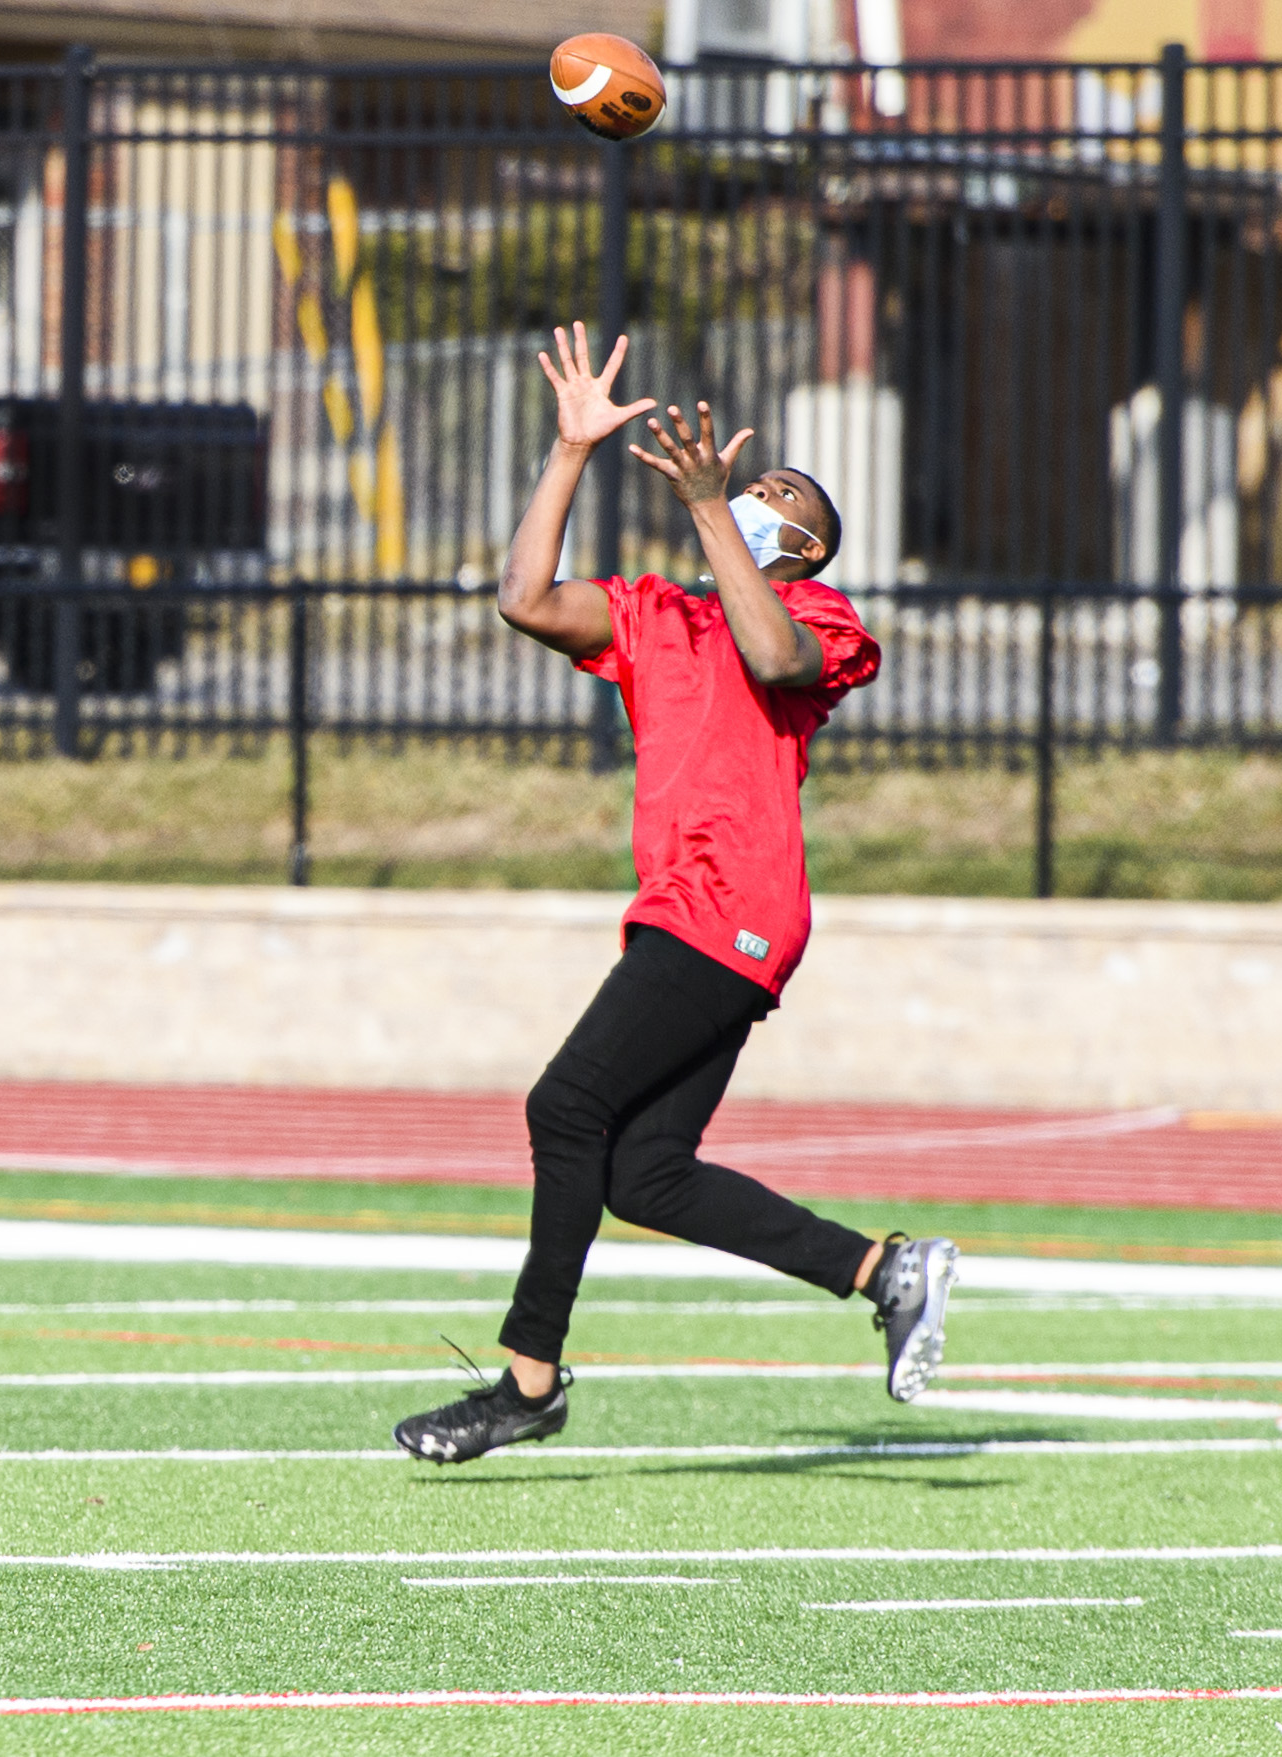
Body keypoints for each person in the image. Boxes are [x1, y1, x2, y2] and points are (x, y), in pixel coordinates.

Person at [394, 322, 956, 1465]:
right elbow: (524, 599)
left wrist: (710, 507)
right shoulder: (656, 612)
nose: (749, 490)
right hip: (684, 909)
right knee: (644, 1173)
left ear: (801, 545)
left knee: (563, 1108)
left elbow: (775, 661)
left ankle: (528, 1382)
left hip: (733, 906)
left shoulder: (822, 619)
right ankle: (882, 1271)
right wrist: (568, 454)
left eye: (771, 494)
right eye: (745, 484)